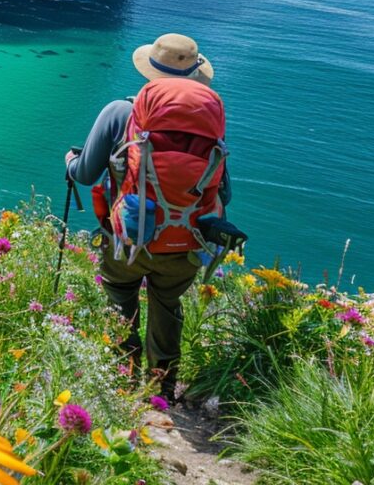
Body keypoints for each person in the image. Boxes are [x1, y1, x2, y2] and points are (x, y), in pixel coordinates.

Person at [65, 33, 244, 400]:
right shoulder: (209, 123)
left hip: (128, 238)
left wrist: (69, 162)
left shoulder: (120, 112)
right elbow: (223, 192)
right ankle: (160, 387)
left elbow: (84, 174)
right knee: (167, 303)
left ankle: (122, 379)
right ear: (195, 73)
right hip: (186, 241)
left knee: (120, 296)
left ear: (150, 70)